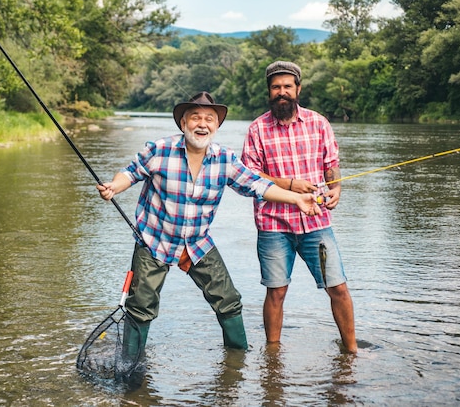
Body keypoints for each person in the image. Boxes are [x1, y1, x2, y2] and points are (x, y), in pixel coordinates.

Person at [97, 91, 321, 356]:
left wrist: (296, 199)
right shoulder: (159, 150)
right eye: (195, 118)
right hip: (154, 240)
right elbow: (129, 173)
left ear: (216, 126)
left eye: (209, 119)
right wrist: (114, 186)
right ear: (183, 123)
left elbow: (258, 185)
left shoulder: (224, 159)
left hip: (197, 243)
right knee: (141, 307)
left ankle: (237, 360)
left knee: (228, 301)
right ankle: (131, 367)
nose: (202, 124)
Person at [241, 61, 358, 353]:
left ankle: (353, 351)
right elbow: (249, 176)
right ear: (269, 92)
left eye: (287, 87)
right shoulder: (257, 129)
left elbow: (331, 167)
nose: (282, 92)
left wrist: (337, 189)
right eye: (276, 87)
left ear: (298, 89)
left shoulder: (319, 123)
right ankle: (273, 355)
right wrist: (290, 184)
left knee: (338, 287)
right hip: (273, 224)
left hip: (316, 222)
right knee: (276, 291)